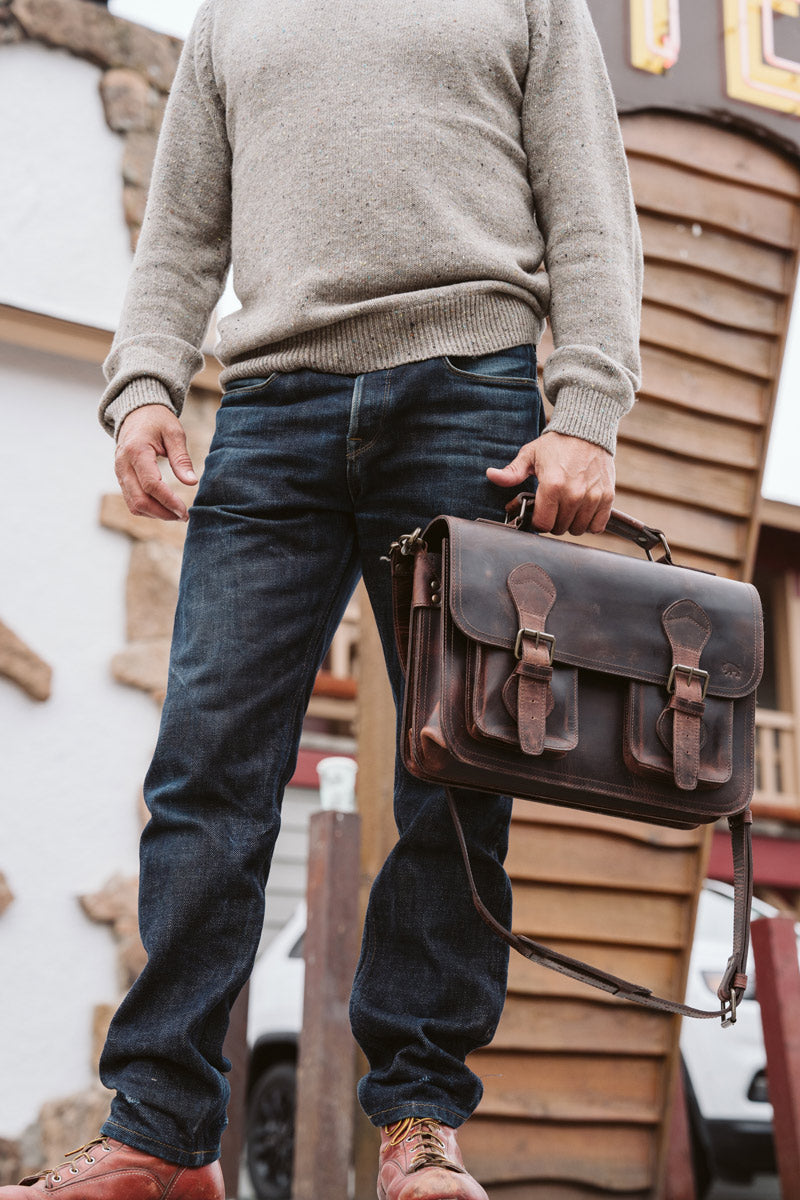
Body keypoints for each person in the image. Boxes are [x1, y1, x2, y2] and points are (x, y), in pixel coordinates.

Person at [1, 0, 641, 1197]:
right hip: (270, 414)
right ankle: (159, 1131)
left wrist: (584, 408)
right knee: (204, 771)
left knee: (456, 775)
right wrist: (142, 386)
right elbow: (183, 227)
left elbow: (588, 206)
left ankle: (416, 1123)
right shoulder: (231, 15)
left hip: (471, 397)